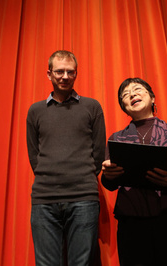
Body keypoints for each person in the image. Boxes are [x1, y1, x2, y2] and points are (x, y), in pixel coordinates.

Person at [101, 78, 167, 266]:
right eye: (125, 95)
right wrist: (108, 176)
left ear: (152, 98)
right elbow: (109, 184)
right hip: (132, 222)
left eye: (137, 90)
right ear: (124, 107)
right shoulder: (117, 139)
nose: (132, 95)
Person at [26, 50, 106, 266]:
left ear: (76, 74)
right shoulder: (35, 111)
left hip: (83, 198)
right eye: (59, 71)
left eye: (70, 72)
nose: (65, 76)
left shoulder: (92, 107)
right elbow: (34, 155)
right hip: (44, 199)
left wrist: (80, 178)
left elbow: (98, 153)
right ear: (49, 74)